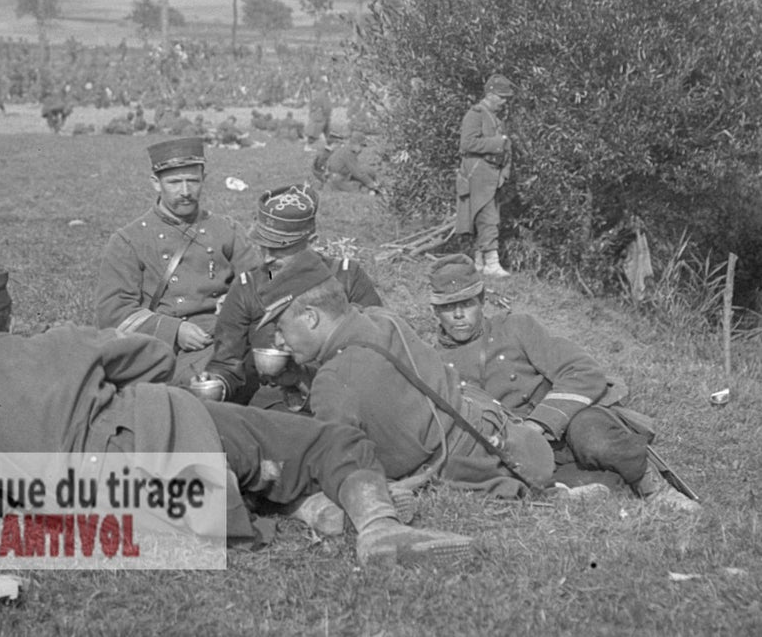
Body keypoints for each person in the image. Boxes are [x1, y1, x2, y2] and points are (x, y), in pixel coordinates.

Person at [0, 268, 476, 565]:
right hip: (173, 444)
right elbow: (157, 358)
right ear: (8, 313)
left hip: (117, 520)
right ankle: (378, 527)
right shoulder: (60, 343)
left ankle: (308, 507)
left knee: (256, 465)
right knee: (326, 443)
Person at [270, 250, 555, 498]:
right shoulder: (385, 320)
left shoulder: (331, 383)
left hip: (463, 468)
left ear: (310, 316)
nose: (278, 342)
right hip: (498, 435)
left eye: (280, 328)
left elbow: (335, 465)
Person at [426, 254, 699, 512]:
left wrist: (541, 423)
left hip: (565, 427)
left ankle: (655, 490)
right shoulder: (433, 363)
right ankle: (573, 490)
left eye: (467, 303)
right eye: (449, 307)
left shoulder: (516, 328)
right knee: (566, 482)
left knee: (594, 437)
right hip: (516, 451)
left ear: (482, 300)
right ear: (436, 311)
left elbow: (583, 371)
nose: (459, 315)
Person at [95, 137, 261, 383]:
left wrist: (239, 295)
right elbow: (113, 312)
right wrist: (174, 330)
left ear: (203, 179)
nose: (185, 192)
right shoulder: (129, 240)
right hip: (166, 350)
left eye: (192, 181)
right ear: (155, 183)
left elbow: (264, 276)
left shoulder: (226, 229)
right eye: (174, 182)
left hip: (228, 334)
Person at [203, 182, 382, 408]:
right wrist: (215, 383)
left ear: (312, 242)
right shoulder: (249, 286)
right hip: (273, 402)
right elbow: (226, 361)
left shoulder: (346, 276)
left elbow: (377, 345)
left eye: (279, 249)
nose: (267, 258)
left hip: (347, 395)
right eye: (262, 247)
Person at [453, 74, 515, 276]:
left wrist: (504, 172)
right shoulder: (476, 114)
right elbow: (467, 144)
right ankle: (492, 263)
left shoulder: (496, 119)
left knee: (486, 217)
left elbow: (508, 148)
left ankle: (480, 262)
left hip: (493, 175)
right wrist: (498, 143)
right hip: (477, 174)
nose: (504, 102)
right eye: (501, 97)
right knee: (488, 218)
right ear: (490, 94)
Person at [324, 130, 382, 194]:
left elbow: (358, 169)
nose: (361, 149)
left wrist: (372, 177)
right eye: (361, 146)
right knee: (357, 187)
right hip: (337, 178)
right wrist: (371, 184)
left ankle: (373, 184)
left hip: (344, 174)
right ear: (355, 144)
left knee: (369, 171)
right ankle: (370, 190)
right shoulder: (348, 153)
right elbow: (358, 173)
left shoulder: (348, 150)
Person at [303, 77, 332, 153]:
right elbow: (325, 106)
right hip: (319, 116)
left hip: (321, 116)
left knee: (327, 131)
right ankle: (308, 145)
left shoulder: (317, 93)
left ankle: (329, 145)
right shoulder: (322, 94)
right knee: (314, 132)